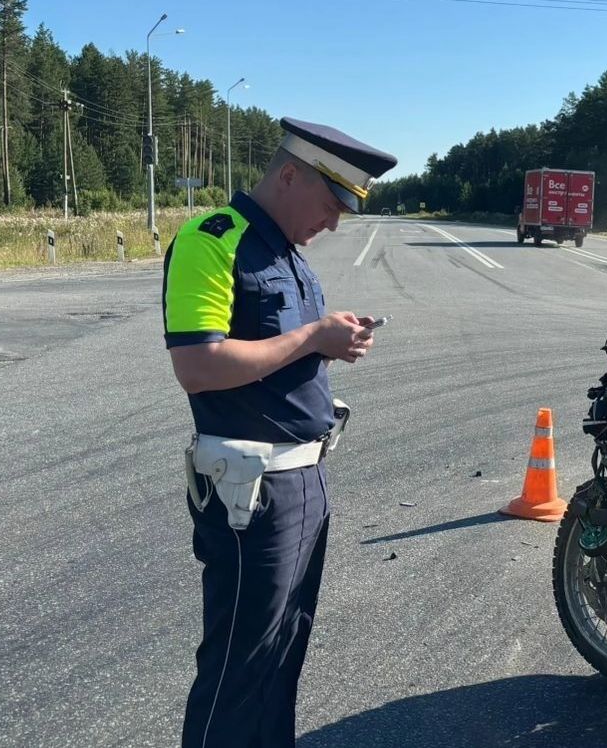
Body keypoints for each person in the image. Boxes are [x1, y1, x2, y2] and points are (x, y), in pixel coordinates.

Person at [164, 117, 395, 747]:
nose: (333, 223)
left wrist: (333, 339)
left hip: (303, 481)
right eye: (330, 205)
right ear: (289, 174)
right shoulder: (213, 240)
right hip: (250, 492)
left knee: (280, 660)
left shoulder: (289, 255)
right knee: (238, 674)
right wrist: (314, 336)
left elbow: (281, 354)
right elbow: (198, 364)